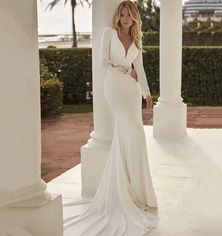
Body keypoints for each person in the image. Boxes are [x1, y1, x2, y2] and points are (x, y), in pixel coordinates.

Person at [63, 1, 158, 235]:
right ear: (118, 17)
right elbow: (102, 63)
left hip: (132, 92)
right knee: (133, 133)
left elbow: (141, 70)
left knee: (132, 136)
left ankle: (137, 192)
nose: (125, 18)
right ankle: (133, 193)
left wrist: (147, 94)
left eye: (129, 15)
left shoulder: (136, 41)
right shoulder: (109, 34)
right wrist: (127, 71)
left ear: (135, 18)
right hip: (115, 88)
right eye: (122, 14)